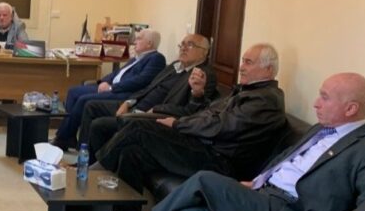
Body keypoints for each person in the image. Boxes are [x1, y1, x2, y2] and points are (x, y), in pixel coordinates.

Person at [141, 72, 365, 211]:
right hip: (264, 195)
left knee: (204, 180)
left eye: (325, 97)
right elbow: (286, 162)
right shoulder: (319, 130)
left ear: (351, 109)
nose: (315, 103)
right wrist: (257, 181)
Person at [93, 43, 287, 195]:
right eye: (243, 61)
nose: (241, 67)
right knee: (131, 153)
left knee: (139, 127)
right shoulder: (247, 91)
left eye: (248, 63)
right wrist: (198, 95)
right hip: (202, 146)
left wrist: (178, 124)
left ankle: (93, 174)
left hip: (219, 160)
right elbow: (208, 114)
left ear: (268, 70)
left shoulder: (265, 100)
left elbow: (221, 126)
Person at [80, 34, 216, 146]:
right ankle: (82, 153)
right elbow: (149, 87)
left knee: (99, 125)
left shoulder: (202, 75)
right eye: (182, 44)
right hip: (137, 105)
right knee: (91, 106)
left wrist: (157, 109)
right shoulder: (175, 65)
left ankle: (93, 164)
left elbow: (191, 111)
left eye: (190, 45)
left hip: (152, 117)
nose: (184, 48)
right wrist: (128, 102)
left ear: (204, 52)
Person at [50, 29, 166, 150]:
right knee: (73, 92)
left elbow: (140, 81)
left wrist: (111, 87)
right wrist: (103, 82)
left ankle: (64, 137)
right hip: (112, 88)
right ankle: (69, 135)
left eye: (139, 38)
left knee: (83, 100)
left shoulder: (156, 58)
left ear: (149, 43)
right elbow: (117, 73)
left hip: (124, 93)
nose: (135, 41)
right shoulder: (136, 58)